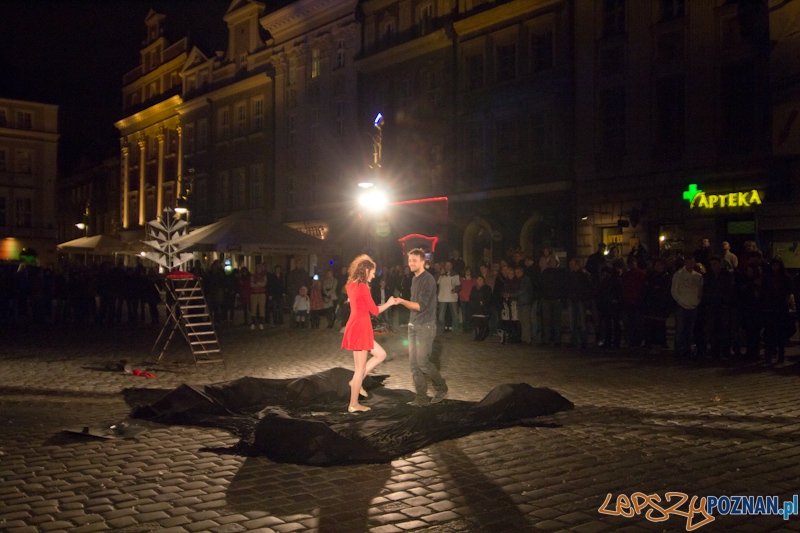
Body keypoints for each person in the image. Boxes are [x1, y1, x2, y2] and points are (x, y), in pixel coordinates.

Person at [394, 248, 448, 407]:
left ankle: (441, 387)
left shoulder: (428, 280)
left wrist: (401, 301)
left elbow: (420, 306)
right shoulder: (414, 279)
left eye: (414, 260)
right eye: (409, 260)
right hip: (414, 325)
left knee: (423, 362)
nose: (410, 263)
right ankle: (421, 398)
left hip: (426, 326)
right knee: (414, 365)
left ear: (423, 262)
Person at [341, 255, 395, 413]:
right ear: (366, 270)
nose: (373, 275)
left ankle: (355, 382)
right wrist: (390, 303)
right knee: (359, 369)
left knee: (380, 354)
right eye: (372, 272)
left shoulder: (351, 285)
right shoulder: (362, 286)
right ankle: (353, 404)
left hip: (357, 326)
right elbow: (375, 310)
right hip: (360, 328)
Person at [671, 255, 703, 358]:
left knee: (690, 329)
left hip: (693, 305)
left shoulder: (698, 276)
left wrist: (696, 301)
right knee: (680, 329)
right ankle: (678, 350)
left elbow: (700, 291)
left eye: (692, 262)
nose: (690, 264)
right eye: (688, 262)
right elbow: (674, 290)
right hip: (682, 305)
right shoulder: (679, 275)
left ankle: (687, 349)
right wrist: (681, 301)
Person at [436, 261, 460, 333]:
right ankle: (440, 330)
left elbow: (459, 285)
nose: (447, 267)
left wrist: (455, 290)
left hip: (452, 298)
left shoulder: (455, 274)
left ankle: (455, 329)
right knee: (441, 316)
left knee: (455, 315)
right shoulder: (440, 274)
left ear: (451, 266)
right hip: (442, 298)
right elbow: (435, 283)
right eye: (446, 265)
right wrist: (440, 274)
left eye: (449, 265)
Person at [469, 275, 492, 340]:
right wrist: (474, 302)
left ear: (483, 280)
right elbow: (471, 297)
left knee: (483, 323)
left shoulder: (487, 288)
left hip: (483, 308)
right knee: (476, 323)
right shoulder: (474, 288)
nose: (479, 281)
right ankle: (477, 336)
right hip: (476, 308)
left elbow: (489, 297)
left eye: (481, 279)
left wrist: (483, 302)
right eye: (478, 279)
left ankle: (482, 336)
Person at [458, 267, 477, 334]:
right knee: (464, 315)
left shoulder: (474, 280)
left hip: (470, 299)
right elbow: (458, 287)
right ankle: (465, 328)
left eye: (469, 271)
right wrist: (460, 293)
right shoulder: (461, 279)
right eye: (466, 271)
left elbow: (475, 289)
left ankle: (470, 328)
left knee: (470, 314)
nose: (467, 272)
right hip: (463, 299)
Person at [249, 264, 267, 330]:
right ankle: (253, 323)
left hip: (262, 294)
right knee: (253, 308)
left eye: (260, 268)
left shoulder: (264, 276)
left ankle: (261, 323)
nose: (259, 270)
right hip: (254, 294)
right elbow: (251, 284)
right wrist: (259, 284)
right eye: (258, 268)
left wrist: (257, 283)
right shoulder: (253, 276)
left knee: (261, 309)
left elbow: (264, 284)